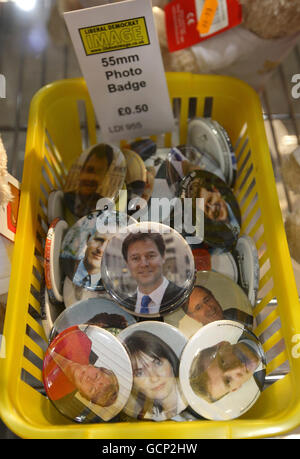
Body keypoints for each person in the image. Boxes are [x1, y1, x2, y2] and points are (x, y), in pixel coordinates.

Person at [43, 325, 119, 422]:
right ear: (94, 366)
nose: (89, 380)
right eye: (96, 376)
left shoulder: (55, 392)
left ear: (82, 394)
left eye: (91, 389)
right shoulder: (82, 342)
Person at [123, 330, 186, 421]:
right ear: (133, 384)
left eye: (157, 363)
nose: (154, 378)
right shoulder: (146, 420)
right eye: (140, 373)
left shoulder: (200, 399)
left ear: (170, 361)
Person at [189, 332, 265, 404]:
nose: (237, 368)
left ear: (222, 344)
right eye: (228, 381)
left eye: (223, 362)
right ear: (236, 388)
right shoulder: (267, 391)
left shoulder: (252, 320)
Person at [121, 231, 183, 314]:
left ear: (163, 257)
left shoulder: (182, 297)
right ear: (127, 263)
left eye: (151, 256)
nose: (144, 264)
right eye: (135, 258)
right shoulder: (124, 306)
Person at [64, 144, 113, 218]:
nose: (92, 178)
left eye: (99, 173)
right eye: (89, 170)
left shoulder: (105, 206)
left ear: (104, 178)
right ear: (81, 171)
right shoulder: (64, 201)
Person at [183, 285, 253, 328]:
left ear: (213, 297)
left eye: (207, 299)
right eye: (199, 308)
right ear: (192, 317)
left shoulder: (233, 314)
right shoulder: (205, 346)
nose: (209, 308)